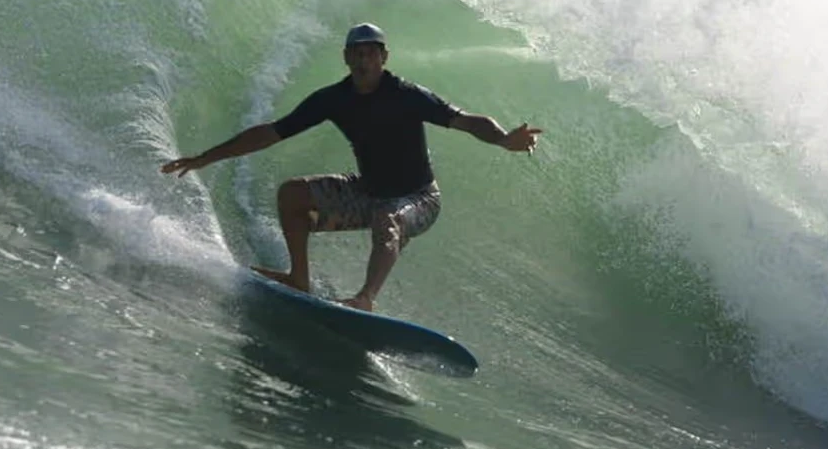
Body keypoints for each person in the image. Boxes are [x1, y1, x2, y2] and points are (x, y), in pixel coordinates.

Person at [160, 23, 542, 312]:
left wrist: (504, 138)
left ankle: (365, 298)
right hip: (368, 191)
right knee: (293, 193)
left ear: (384, 58)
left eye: (371, 54)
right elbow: (272, 133)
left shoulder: (408, 96)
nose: (364, 61)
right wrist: (204, 158)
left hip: (419, 198)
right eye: (356, 54)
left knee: (388, 219)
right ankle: (298, 278)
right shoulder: (334, 99)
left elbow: (468, 121)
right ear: (346, 58)